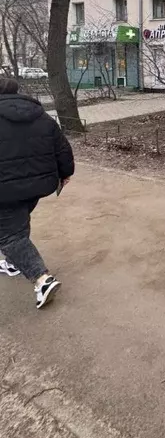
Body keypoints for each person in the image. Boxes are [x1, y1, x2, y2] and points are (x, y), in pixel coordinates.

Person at [0, 77, 75, 308]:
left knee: (10, 235)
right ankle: (14, 262)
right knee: (17, 225)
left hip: (6, 188)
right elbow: (62, 148)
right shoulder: (41, 116)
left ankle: (42, 279)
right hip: (38, 185)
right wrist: (66, 173)